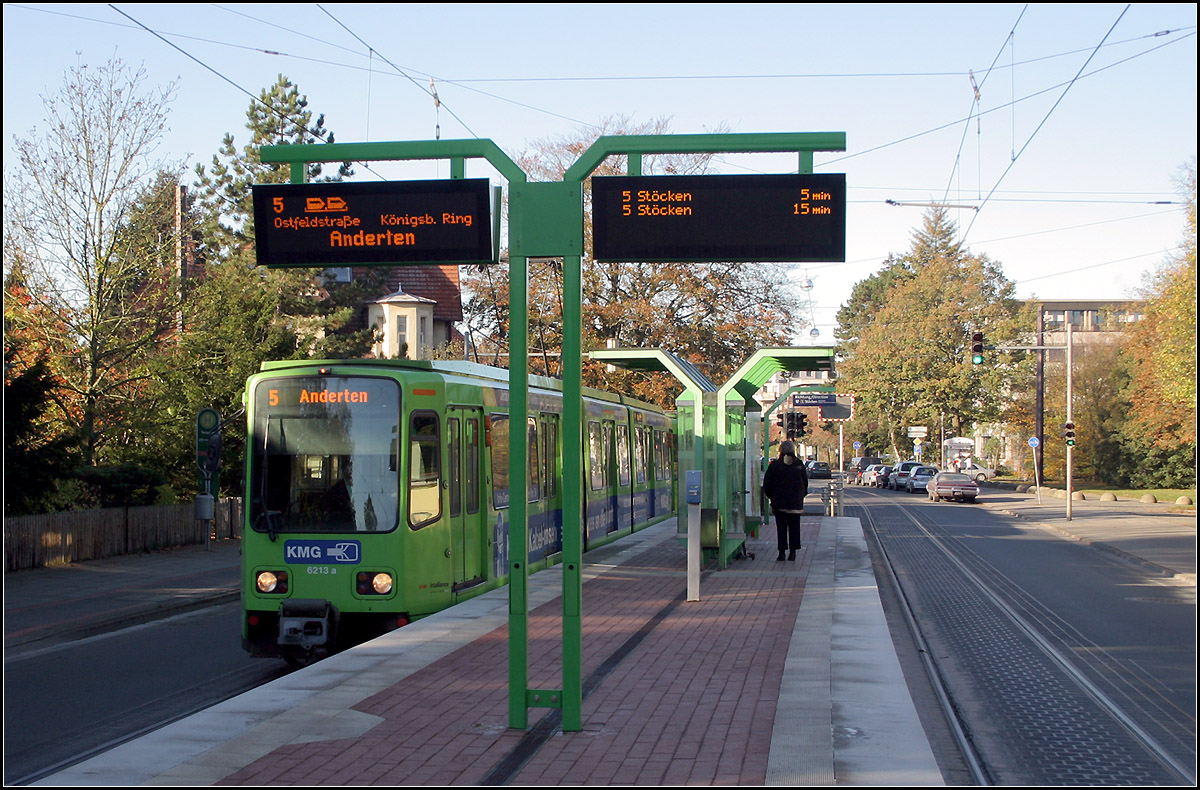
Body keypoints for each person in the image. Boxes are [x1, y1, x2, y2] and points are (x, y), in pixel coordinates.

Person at [761, 440, 808, 561]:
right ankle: (793, 552)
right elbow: (805, 482)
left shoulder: (775, 465)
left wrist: (772, 497)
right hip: (795, 503)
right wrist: (800, 496)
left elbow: (767, 483)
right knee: (794, 527)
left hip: (779, 503)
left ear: (781, 450)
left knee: (781, 528)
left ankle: (781, 552)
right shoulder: (799, 465)